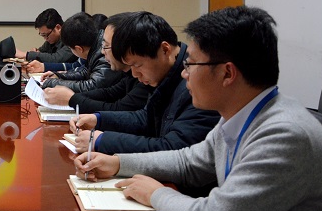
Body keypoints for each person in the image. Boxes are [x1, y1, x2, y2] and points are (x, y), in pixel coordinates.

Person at [75, 6, 322, 211]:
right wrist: (117, 163)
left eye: (191, 64)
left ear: (227, 73)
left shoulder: (284, 136)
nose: (184, 74)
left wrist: (155, 193)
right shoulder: (240, 115)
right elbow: (189, 162)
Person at [69, 11, 220, 154]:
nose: (134, 74)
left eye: (137, 65)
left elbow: (174, 150)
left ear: (165, 50)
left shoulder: (198, 85)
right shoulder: (165, 74)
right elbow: (146, 118)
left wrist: (102, 140)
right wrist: (98, 119)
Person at [46, 12, 153, 112]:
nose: (102, 51)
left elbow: (121, 109)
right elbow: (109, 93)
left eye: (106, 46)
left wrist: (72, 99)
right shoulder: (130, 75)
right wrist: (71, 96)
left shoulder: (147, 80)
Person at [37, 12, 124, 93]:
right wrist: (59, 76)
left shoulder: (104, 54)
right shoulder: (95, 44)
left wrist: (54, 83)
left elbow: (91, 86)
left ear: (79, 49)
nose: (103, 49)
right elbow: (85, 72)